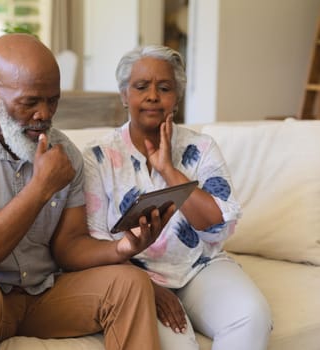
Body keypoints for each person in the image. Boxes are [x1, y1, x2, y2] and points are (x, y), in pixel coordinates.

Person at [0, 33, 173, 350]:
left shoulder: (64, 153)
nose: (44, 114)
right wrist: (39, 189)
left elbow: (69, 246)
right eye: (29, 102)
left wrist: (121, 249)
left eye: (53, 100)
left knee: (130, 282)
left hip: (40, 294)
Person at [82, 45, 273, 350]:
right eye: (141, 86)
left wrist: (169, 170)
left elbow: (217, 224)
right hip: (133, 276)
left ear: (177, 97)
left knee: (251, 317)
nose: (153, 96)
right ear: (123, 95)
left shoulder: (202, 148)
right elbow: (93, 241)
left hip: (200, 267)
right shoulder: (98, 156)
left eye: (165, 87)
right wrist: (144, 286)